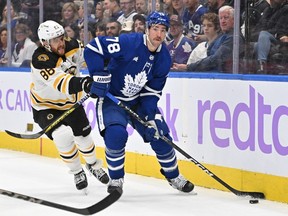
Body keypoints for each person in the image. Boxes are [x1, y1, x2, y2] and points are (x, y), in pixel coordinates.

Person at [83, 11, 195, 194]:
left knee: (161, 135)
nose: (158, 34)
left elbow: (151, 92)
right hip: (113, 99)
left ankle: (173, 175)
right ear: (148, 29)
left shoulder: (164, 59)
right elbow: (93, 47)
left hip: (138, 102)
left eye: (162, 30)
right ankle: (116, 178)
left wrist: (150, 117)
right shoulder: (129, 43)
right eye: (155, 29)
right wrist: (97, 75)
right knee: (116, 135)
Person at [30, 20, 109, 192]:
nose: (61, 42)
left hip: (71, 103)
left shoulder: (72, 45)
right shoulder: (40, 60)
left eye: (61, 37)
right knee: (62, 135)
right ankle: (77, 171)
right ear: (45, 43)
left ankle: (93, 165)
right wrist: (86, 83)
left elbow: (90, 58)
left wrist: (104, 67)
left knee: (84, 137)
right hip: (46, 106)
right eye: (55, 40)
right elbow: (62, 83)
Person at [175, 5, 244, 72]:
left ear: (234, 20)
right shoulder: (222, 36)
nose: (223, 21)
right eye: (221, 18)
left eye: (226, 17)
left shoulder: (234, 38)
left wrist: (188, 67)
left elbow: (216, 59)